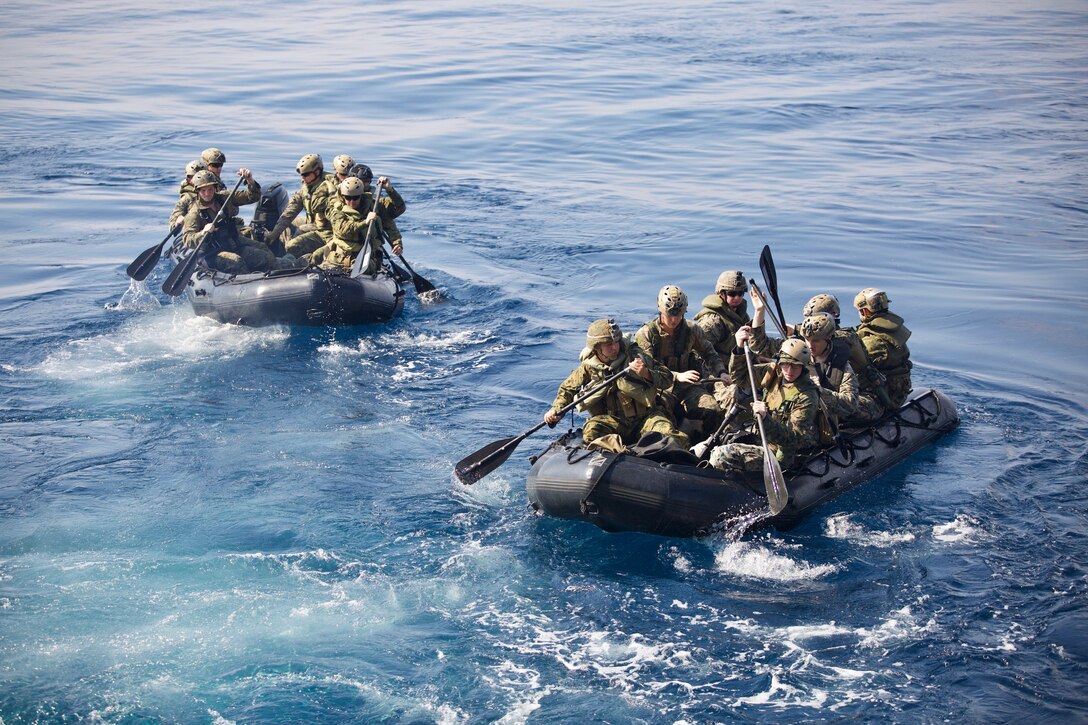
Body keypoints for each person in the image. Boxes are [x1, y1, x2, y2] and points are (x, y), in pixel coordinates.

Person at [544, 318, 687, 453]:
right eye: (608, 345)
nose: (614, 348)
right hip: (613, 421)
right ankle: (622, 451)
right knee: (591, 430)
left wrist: (645, 373)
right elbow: (568, 389)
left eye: (616, 342)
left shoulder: (636, 356)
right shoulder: (589, 367)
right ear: (597, 348)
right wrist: (556, 410)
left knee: (671, 437)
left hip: (645, 418)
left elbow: (667, 378)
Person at [698, 328, 819, 474]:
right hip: (759, 436)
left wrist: (765, 419)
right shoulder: (774, 373)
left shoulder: (806, 396)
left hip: (780, 452)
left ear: (803, 366)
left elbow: (796, 438)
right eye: (785, 364)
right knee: (709, 446)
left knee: (721, 456)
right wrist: (739, 349)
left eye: (795, 366)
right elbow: (739, 378)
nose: (789, 370)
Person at [635, 285, 723, 434]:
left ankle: (708, 444)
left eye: (678, 315)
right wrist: (677, 376)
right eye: (670, 315)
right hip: (660, 388)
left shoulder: (691, 330)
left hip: (688, 387)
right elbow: (648, 367)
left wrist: (722, 372)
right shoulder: (647, 334)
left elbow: (709, 352)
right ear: (661, 311)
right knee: (661, 416)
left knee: (713, 410)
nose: (674, 320)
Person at [180, 168, 279, 275]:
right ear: (197, 191)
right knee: (236, 262)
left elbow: (252, 197)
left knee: (263, 250)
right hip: (212, 252)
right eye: (203, 191)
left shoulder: (225, 198)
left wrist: (250, 180)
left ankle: (273, 275)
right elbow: (187, 239)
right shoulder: (194, 213)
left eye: (210, 189)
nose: (207, 194)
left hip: (232, 242)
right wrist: (203, 232)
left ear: (215, 187)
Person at [265, 154, 338, 258]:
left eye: (306, 174)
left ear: (317, 172)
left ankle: (294, 256)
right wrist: (274, 234)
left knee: (294, 243)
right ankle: (281, 253)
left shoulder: (330, 187)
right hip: (311, 222)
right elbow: (291, 211)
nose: (303, 178)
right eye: (302, 175)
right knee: (286, 225)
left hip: (326, 230)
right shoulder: (306, 187)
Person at [853, 287, 912, 408]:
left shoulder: (873, 342)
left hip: (885, 396)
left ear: (864, 312)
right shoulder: (892, 330)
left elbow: (854, 367)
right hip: (899, 388)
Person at [309, 177, 382, 272]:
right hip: (338, 257)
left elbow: (397, 208)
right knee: (317, 262)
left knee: (365, 268)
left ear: (361, 195)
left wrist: (390, 189)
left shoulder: (371, 206)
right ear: (343, 196)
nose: (352, 201)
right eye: (348, 198)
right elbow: (344, 230)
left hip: (361, 256)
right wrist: (365, 222)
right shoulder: (336, 211)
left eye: (355, 198)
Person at [168, 159, 205, 230]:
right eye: (191, 177)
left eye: (198, 177)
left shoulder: (215, 191)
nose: (195, 181)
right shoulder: (186, 198)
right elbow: (173, 226)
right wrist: (177, 223)